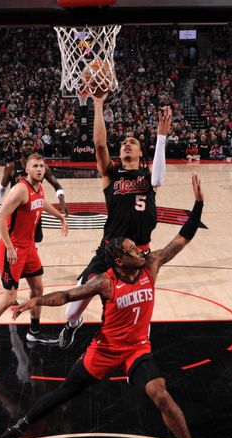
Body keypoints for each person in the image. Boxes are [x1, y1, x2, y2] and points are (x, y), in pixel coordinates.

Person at [0, 175, 212, 438]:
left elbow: (182, 238)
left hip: (137, 348)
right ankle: (16, 429)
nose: (139, 249)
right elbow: (68, 296)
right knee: (63, 393)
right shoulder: (105, 281)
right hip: (106, 349)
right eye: (131, 249)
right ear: (120, 260)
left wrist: (199, 204)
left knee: (161, 394)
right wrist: (36, 301)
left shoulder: (151, 264)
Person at [57, 93, 170, 351]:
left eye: (133, 142)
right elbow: (99, 145)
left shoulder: (148, 176)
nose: (127, 145)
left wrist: (161, 138)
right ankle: (73, 326)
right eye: (123, 143)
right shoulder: (112, 174)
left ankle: (138, 356)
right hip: (107, 252)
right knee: (71, 313)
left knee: (141, 322)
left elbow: (160, 179)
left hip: (138, 256)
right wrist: (97, 104)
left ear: (141, 152)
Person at [0, 154, 69, 354]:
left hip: (29, 249)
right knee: (10, 297)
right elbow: (0, 218)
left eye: (42, 166)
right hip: (13, 248)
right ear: (27, 169)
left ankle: (34, 331)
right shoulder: (20, 189)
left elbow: (40, 203)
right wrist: (9, 247)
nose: (40, 169)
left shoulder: (38, 187)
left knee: (38, 289)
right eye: (35, 166)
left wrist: (60, 215)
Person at [0, 137, 69, 247]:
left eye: (30, 145)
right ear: (20, 148)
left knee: (36, 240)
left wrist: (62, 201)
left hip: (34, 209)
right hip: (17, 211)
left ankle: (30, 257)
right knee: (15, 240)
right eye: (25, 145)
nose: (28, 147)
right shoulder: (11, 166)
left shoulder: (43, 168)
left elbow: (56, 186)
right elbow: (2, 188)